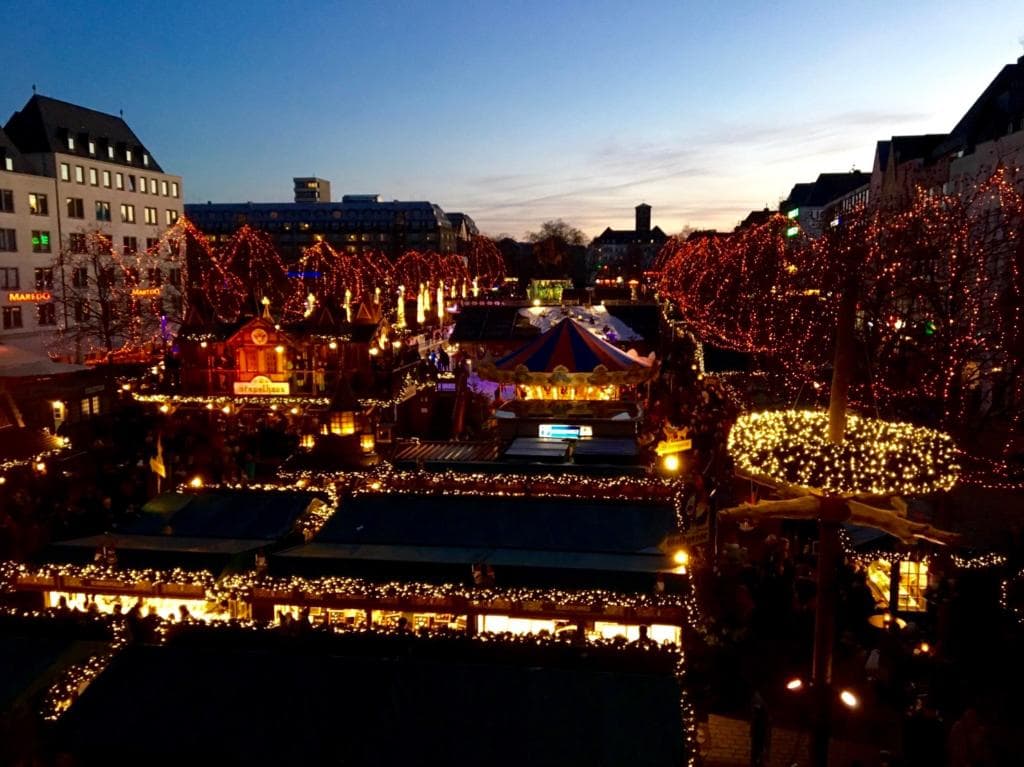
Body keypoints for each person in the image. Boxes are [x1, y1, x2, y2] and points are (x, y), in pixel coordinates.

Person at [750, 691, 770, 767]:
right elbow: (756, 710)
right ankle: (757, 761)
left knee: (760, 747)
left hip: (761, 728)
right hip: (759, 728)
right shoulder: (758, 698)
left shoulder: (761, 699)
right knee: (757, 747)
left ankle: (759, 761)